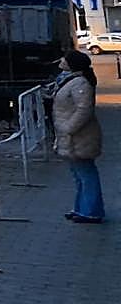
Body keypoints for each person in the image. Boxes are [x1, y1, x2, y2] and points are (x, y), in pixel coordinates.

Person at [52, 50, 104, 223]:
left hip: (79, 136)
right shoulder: (69, 80)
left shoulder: (79, 83)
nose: (61, 59)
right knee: (79, 174)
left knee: (86, 173)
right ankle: (82, 207)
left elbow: (84, 109)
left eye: (64, 58)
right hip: (72, 136)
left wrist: (68, 128)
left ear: (71, 63)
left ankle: (91, 211)